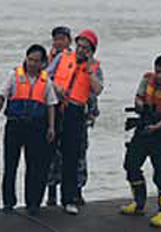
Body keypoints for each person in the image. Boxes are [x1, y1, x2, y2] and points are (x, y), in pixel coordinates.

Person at [0, 44, 57, 215]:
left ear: (43, 63)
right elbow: (1, 97)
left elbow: (51, 105)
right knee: (10, 166)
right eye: (30, 59)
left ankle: (32, 203)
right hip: (15, 125)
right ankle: (8, 203)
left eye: (36, 61)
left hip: (36, 127)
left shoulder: (45, 80)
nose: (32, 63)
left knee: (33, 166)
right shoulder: (14, 75)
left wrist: (51, 127)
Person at [121, 55, 161, 228]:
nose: (160, 76)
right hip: (144, 126)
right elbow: (138, 96)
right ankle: (138, 202)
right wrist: (141, 105)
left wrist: (157, 126)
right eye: (158, 71)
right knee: (131, 164)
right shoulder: (147, 78)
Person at [48, 29, 103, 215]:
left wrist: (88, 68)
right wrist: (56, 88)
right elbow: (46, 75)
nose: (80, 50)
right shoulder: (63, 57)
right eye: (79, 45)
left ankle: (69, 198)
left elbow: (97, 89)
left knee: (72, 156)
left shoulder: (94, 67)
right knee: (49, 151)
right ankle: (45, 196)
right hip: (56, 106)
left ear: (92, 50)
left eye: (85, 48)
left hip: (76, 111)